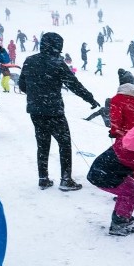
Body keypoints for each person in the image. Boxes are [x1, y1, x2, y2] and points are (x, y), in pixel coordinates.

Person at [18, 32, 99, 190]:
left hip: (35, 110)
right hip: (54, 111)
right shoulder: (57, 63)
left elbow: (22, 86)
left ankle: (43, 178)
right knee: (64, 144)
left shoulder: (29, 60)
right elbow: (74, 84)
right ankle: (66, 179)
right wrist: (90, 98)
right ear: (57, 46)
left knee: (42, 144)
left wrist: (36, 94)